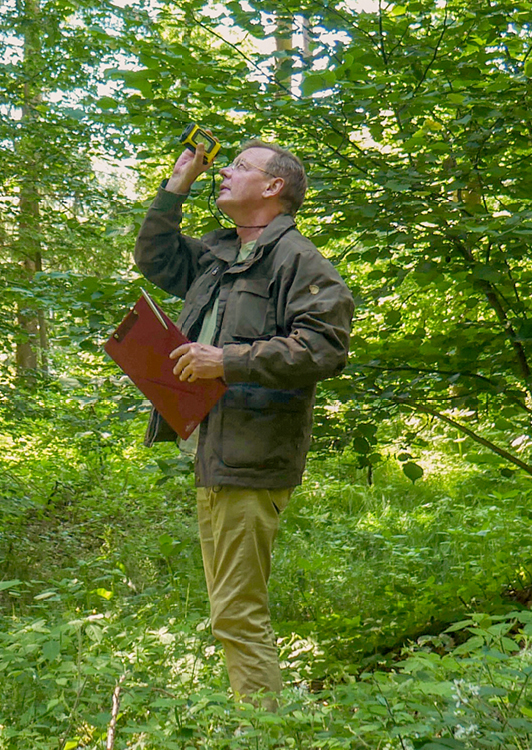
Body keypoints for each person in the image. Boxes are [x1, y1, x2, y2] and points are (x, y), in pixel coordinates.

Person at [133, 139, 354, 705]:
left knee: (236, 614)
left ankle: (263, 728)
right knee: (230, 610)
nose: (224, 172)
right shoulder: (220, 254)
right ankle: (260, 722)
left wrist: (225, 361)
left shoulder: (298, 260)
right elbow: (157, 259)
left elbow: (324, 346)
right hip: (217, 450)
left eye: (240, 167)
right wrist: (176, 182)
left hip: (252, 457)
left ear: (274, 186)